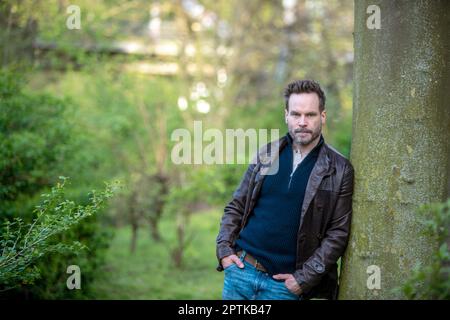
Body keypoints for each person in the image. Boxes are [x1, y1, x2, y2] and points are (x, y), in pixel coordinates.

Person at [215, 79, 354, 300]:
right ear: (286, 115)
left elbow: (338, 233)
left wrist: (303, 280)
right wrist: (224, 251)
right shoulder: (267, 154)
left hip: (284, 287)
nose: (302, 122)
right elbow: (236, 206)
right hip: (241, 272)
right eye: (296, 114)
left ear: (323, 117)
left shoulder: (339, 169)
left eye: (310, 115)